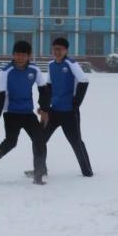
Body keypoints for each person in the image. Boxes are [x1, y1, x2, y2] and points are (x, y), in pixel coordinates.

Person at [0, 40, 50, 185]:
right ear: (13, 55)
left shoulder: (34, 70)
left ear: (28, 56)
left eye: (23, 55)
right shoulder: (6, 72)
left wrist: (43, 110)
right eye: (17, 55)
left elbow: (43, 90)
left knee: (39, 139)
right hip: (11, 113)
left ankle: (38, 174)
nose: (19, 58)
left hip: (27, 113)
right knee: (11, 142)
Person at [28, 37, 93, 178]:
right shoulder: (51, 65)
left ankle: (87, 172)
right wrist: (44, 107)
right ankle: (40, 169)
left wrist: (75, 103)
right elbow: (48, 87)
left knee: (76, 142)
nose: (57, 51)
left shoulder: (71, 63)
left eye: (60, 49)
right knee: (39, 138)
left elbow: (84, 81)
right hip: (54, 111)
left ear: (65, 50)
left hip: (69, 112)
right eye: (55, 48)